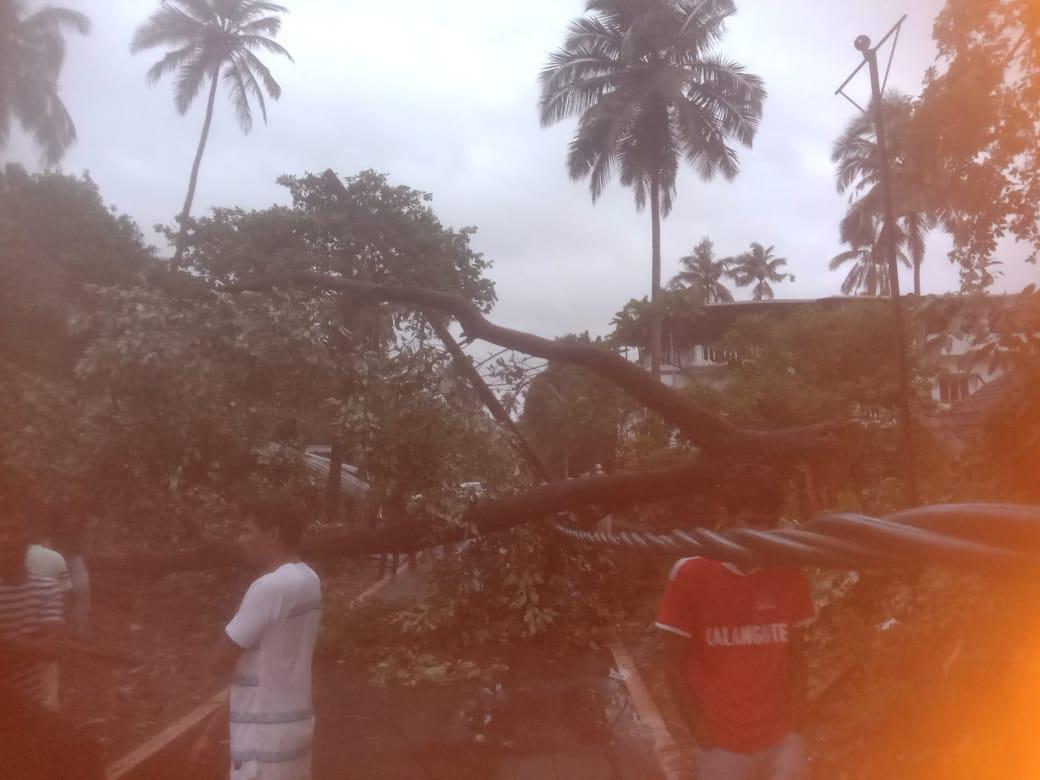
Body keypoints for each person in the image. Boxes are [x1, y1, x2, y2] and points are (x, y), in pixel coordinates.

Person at [656, 469, 815, 780]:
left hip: (780, 737)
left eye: (768, 522)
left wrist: (795, 729)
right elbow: (672, 666)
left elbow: (798, 658)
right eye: (751, 520)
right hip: (721, 744)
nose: (760, 531)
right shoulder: (690, 574)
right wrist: (701, 733)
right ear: (726, 516)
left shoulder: (788, 572)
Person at [190, 497, 322, 780]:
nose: (241, 539)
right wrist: (210, 732)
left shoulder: (268, 588)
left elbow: (219, 661)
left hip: (263, 741)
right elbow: (254, 672)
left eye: (247, 531)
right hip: (294, 730)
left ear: (272, 534)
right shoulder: (309, 580)